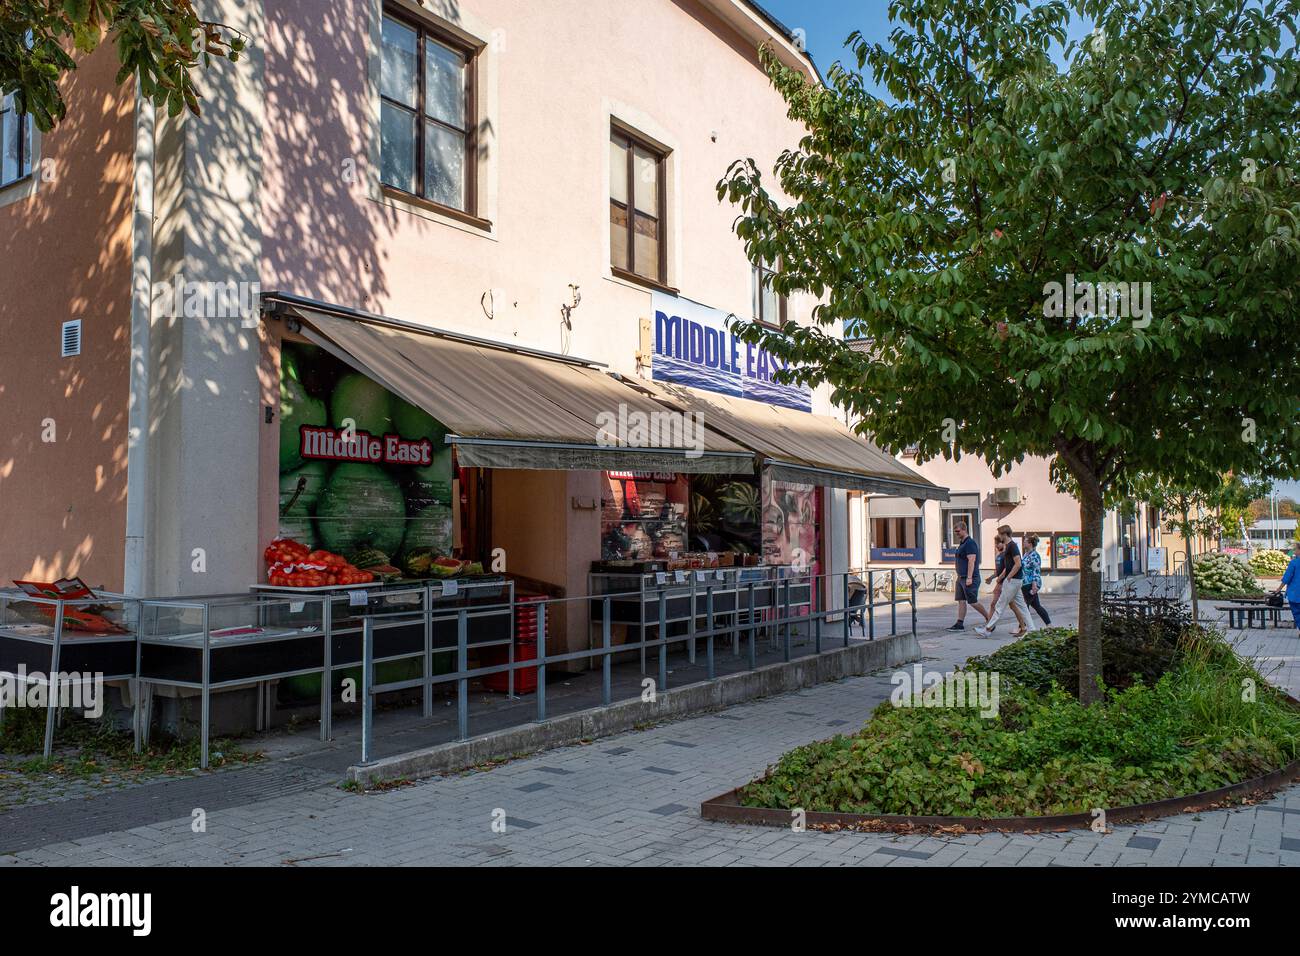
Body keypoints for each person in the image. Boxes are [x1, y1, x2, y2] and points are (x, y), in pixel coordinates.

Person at [975, 530, 1036, 638]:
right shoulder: (1009, 546)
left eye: (1000, 534)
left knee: (999, 605)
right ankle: (1032, 630)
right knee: (1022, 607)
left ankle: (987, 629)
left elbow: (1018, 564)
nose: (998, 536)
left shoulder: (1012, 546)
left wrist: (1009, 576)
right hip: (1015, 580)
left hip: (1012, 581)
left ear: (1004, 534)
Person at [948, 521, 990, 630]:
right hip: (961, 577)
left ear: (964, 529)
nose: (956, 534)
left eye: (957, 531)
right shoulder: (962, 543)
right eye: (955, 532)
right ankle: (959, 623)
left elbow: (972, 560)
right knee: (961, 600)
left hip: (969, 577)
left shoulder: (970, 543)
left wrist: (969, 577)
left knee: (973, 601)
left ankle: (990, 619)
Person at [1021, 534, 1052, 626]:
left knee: (1024, 606)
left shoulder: (1034, 556)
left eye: (1025, 542)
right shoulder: (1026, 554)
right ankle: (1049, 625)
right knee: (1037, 606)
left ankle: (1023, 627)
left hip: (1031, 584)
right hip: (1026, 583)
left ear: (1030, 544)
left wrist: (1034, 585)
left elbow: (1036, 570)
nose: (1023, 543)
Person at [1280, 542, 1300, 630]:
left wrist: (1279, 589)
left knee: (1297, 613)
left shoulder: (1294, 563)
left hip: (1295, 593)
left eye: (1295, 549)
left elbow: (1287, 578)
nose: (1294, 551)